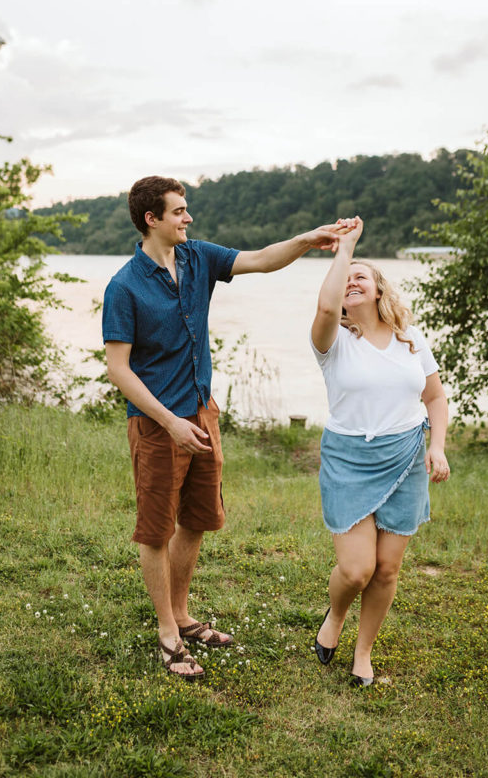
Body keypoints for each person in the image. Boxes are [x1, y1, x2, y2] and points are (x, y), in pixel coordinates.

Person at [103, 175, 345, 681]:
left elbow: (260, 258)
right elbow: (119, 369)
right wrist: (168, 423)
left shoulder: (198, 258)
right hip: (157, 425)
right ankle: (168, 636)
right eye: (179, 211)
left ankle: (184, 615)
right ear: (152, 219)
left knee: (196, 519)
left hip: (201, 413)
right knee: (155, 530)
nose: (188, 218)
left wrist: (308, 239)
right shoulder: (124, 286)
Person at [310, 216, 450, 686]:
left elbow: (434, 398)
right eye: (345, 278)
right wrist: (345, 251)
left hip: (407, 457)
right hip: (349, 459)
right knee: (356, 570)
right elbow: (327, 308)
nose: (350, 283)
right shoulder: (332, 342)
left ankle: (363, 652)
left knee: (386, 570)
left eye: (360, 278)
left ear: (377, 290)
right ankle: (335, 616)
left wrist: (438, 447)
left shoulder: (412, 339)